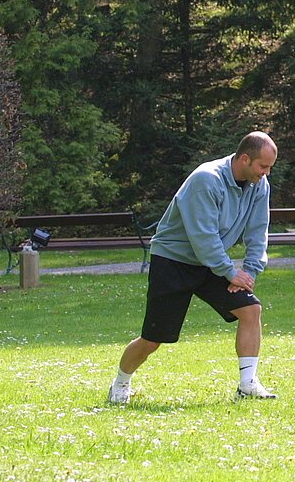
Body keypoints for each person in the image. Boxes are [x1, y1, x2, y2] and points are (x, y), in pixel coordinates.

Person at [108, 132, 279, 404]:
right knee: (153, 339)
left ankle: (247, 384)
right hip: (174, 261)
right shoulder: (206, 180)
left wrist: (248, 273)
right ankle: (120, 384)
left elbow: (258, 231)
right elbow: (203, 237)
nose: (266, 173)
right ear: (245, 158)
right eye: (263, 166)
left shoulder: (260, 184)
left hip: (211, 263)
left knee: (250, 309)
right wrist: (229, 271)